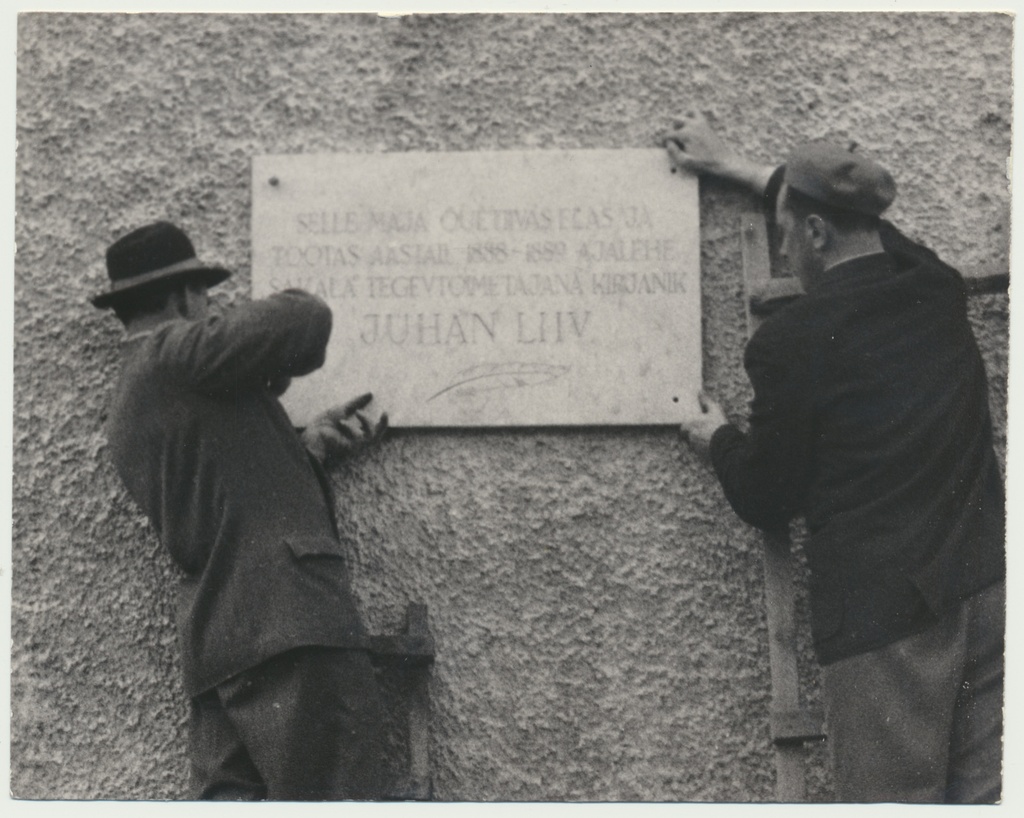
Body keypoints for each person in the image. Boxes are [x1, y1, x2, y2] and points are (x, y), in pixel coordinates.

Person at [663, 113, 1005, 803]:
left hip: (887, 629)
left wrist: (717, 437)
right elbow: (887, 239)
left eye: (787, 229)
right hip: (989, 592)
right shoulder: (934, 286)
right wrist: (742, 169)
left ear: (814, 233)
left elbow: (766, 496)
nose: (784, 247)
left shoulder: (788, 344)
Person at [92, 220, 392, 800]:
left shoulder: (132, 397)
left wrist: (306, 450)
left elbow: (221, 493)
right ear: (184, 296)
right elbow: (305, 317)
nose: (211, 308)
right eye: (206, 296)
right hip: (290, 626)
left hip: (221, 642)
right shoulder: (176, 352)